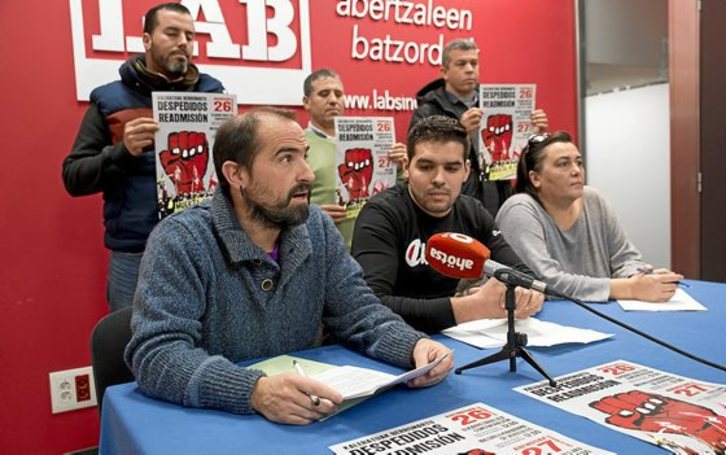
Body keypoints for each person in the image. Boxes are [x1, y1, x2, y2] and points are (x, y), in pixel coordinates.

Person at [124, 108, 453, 424]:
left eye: (304, 156)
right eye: (285, 159)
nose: (308, 174)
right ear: (236, 174)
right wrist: (253, 391)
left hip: (306, 419)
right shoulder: (182, 239)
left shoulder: (316, 227)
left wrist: (413, 345)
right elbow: (157, 354)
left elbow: (360, 312)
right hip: (219, 427)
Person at [62, 3, 225, 311]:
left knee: (207, 334)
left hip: (205, 243)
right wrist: (122, 152)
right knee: (132, 335)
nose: (183, 42)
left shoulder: (213, 95)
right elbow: (73, 177)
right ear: (147, 40)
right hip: (136, 251)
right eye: (172, 33)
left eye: (190, 36)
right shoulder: (110, 100)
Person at [351, 116, 544, 334]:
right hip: (388, 339)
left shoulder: (472, 212)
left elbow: (524, 276)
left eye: (451, 168)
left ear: (466, 171)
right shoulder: (381, 214)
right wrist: (473, 307)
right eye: (426, 167)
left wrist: (525, 296)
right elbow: (371, 306)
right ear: (407, 167)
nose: (439, 179)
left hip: (449, 336)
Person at [495, 131, 683, 302]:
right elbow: (544, 282)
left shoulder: (593, 199)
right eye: (563, 164)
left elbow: (626, 258)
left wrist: (638, 278)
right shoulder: (519, 210)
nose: (576, 171)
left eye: (579, 162)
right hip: (548, 317)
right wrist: (629, 288)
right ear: (536, 178)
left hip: (606, 312)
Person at [409, 38, 548, 217]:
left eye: (474, 63)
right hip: (452, 204)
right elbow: (420, 159)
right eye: (461, 64)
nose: (469, 69)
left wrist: (534, 136)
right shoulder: (427, 111)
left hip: (498, 197)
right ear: (445, 72)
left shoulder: (497, 103)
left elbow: (519, 160)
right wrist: (460, 133)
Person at [302, 69, 407, 250]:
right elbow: (281, 205)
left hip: (372, 247)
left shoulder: (371, 143)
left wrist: (397, 169)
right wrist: (309, 215)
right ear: (306, 102)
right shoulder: (299, 144)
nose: (333, 100)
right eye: (324, 94)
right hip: (322, 251)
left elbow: (396, 195)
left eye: (338, 94)